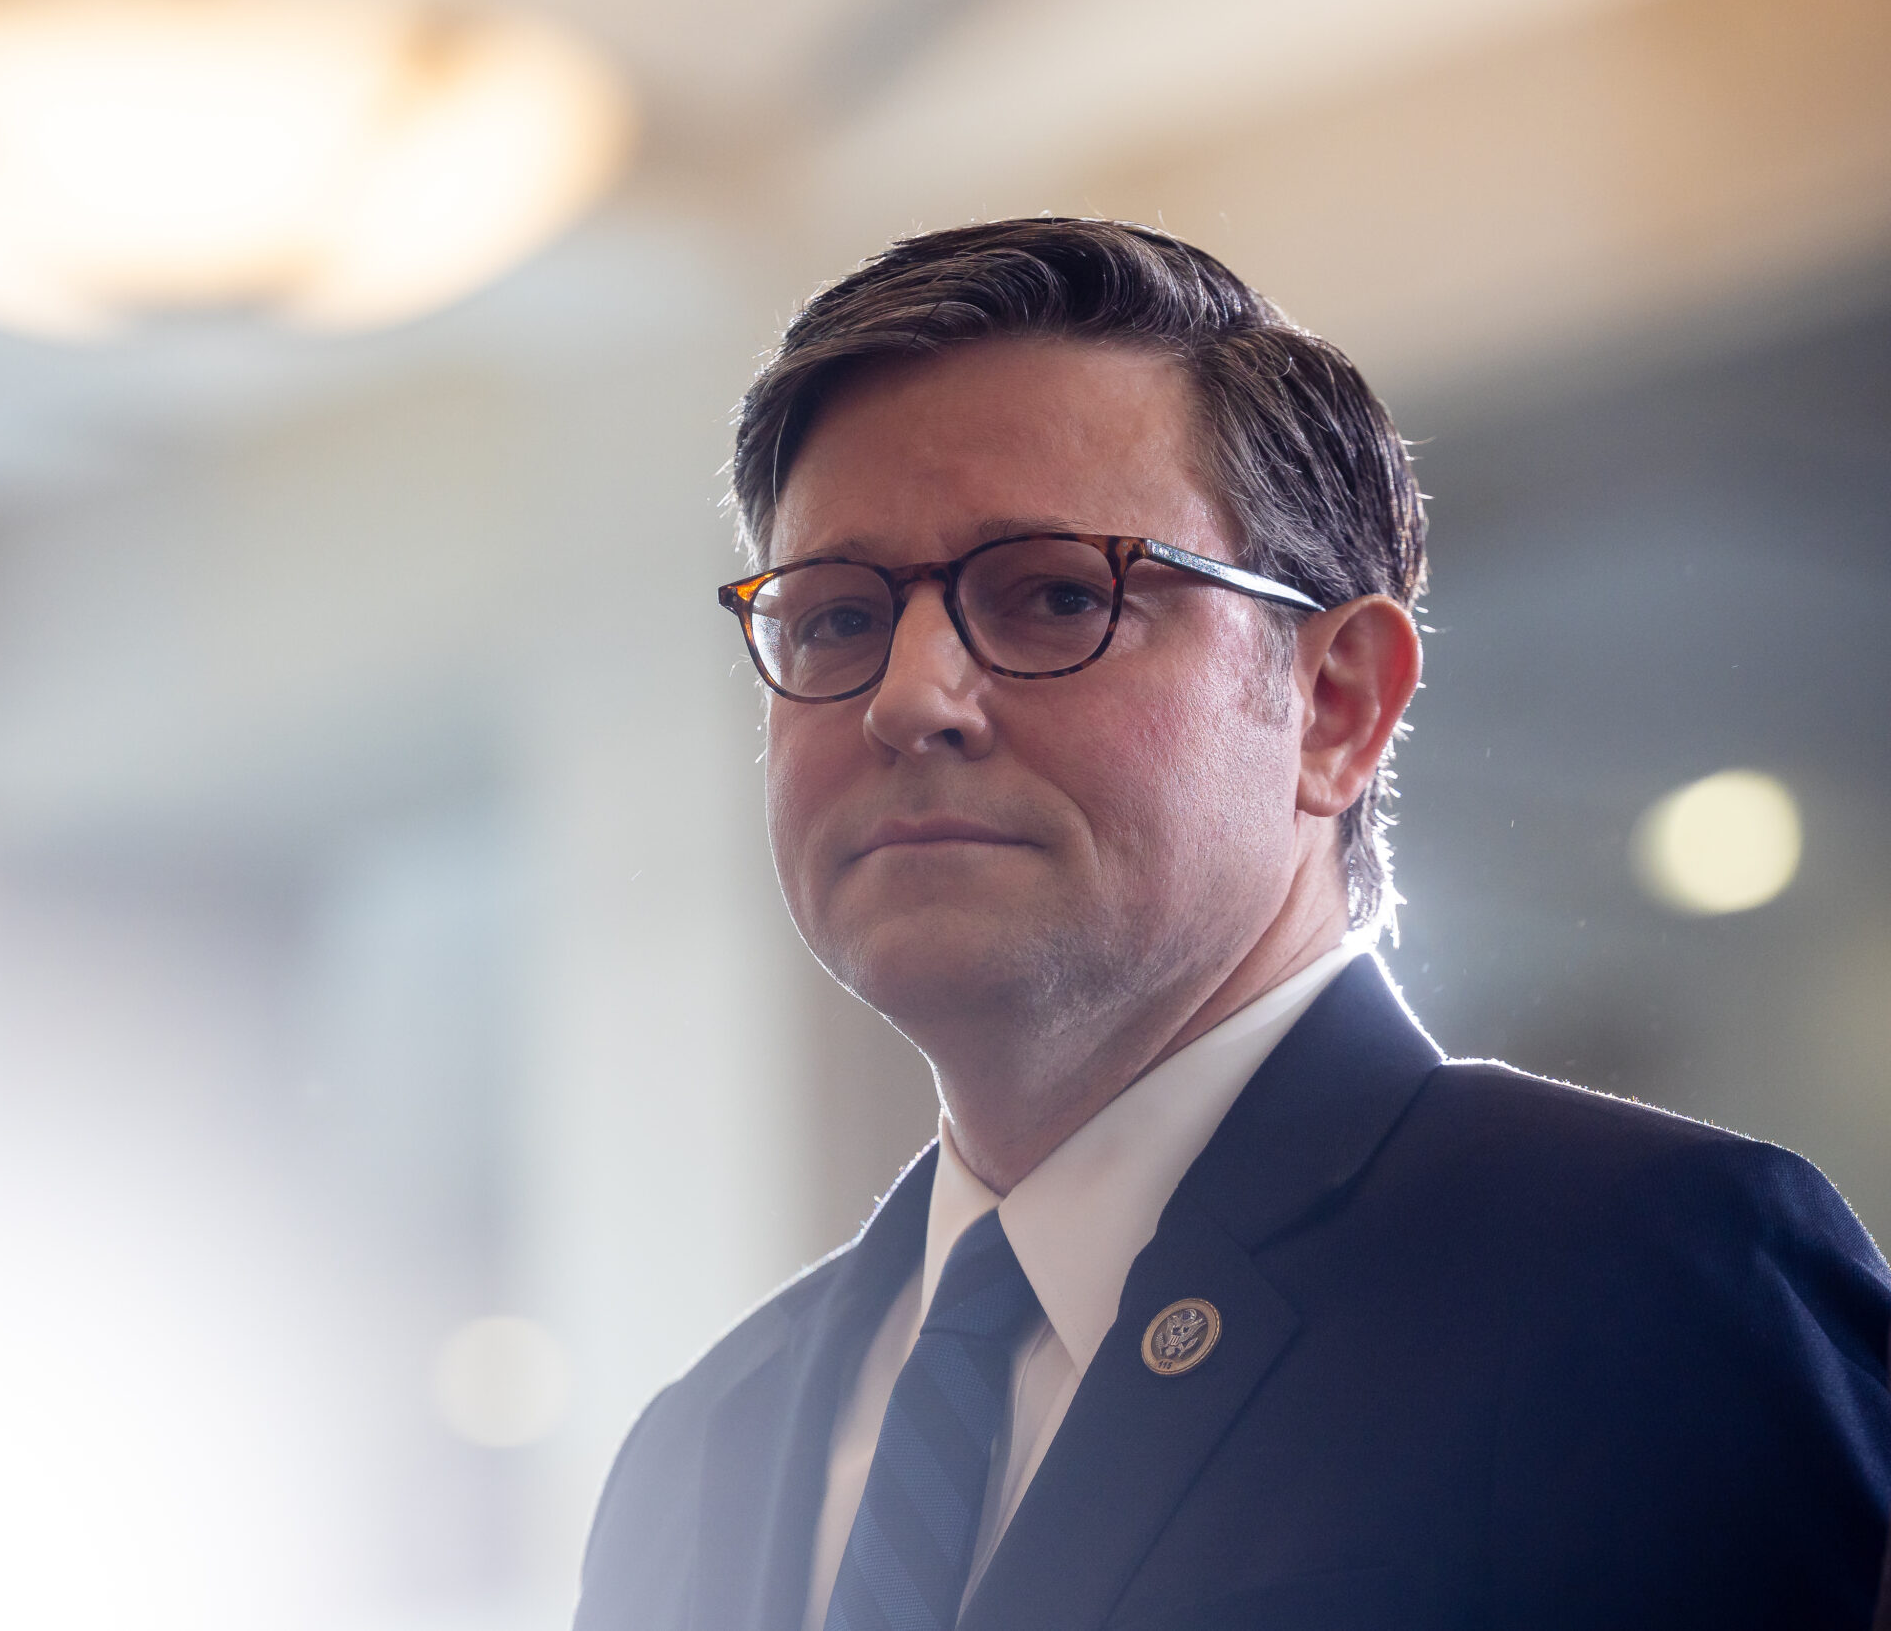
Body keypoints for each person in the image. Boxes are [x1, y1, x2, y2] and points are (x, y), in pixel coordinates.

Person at [572, 219, 1891, 1631]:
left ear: (1334, 705)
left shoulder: (1636, 1277)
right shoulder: (697, 1452)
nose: (908, 699)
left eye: (1055, 595)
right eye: (836, 621)